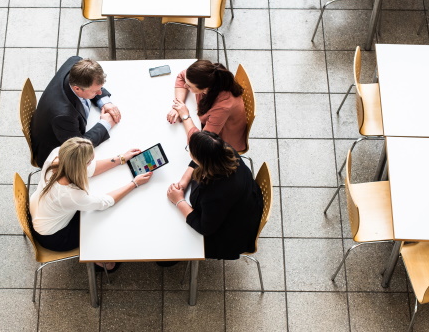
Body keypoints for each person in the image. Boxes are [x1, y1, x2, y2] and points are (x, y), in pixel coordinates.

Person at [29, 137, 153, 269]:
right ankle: (100, 262)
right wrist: (134, 183)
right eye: (89, 161)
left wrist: (121, 158)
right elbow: (105, 202)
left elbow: (91, 169)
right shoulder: (71, 194)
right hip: (55, 236)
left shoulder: (58, 154)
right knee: (103, 222)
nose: (92, 162)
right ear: (79, 166)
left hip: (41, 211)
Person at [165, 131, 263, 260]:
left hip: (231, 232)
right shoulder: (223, 150)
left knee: (168, 251)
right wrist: (184, 181)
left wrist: (179, 201)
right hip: (244, 201)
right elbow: (200, 159)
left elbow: (205, 228)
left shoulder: (215, 193)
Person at [31, 56, 122, 167]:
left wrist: (105, 102)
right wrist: (105, 124)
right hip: (57, 153)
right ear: (77, 88)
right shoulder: (63, 116)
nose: (100, 92)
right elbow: (79, 146)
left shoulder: (76, 63)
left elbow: (94, 85)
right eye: (95, 91)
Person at [166, 60, 247, 153]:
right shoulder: (208, 77)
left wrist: (185, 116)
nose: (185, 85)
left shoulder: (223, 106)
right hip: (213, 125)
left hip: (224, 139)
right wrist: (178, 106)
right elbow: (181, 76)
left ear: (205, 89)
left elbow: (202, 143)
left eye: (189, 86)